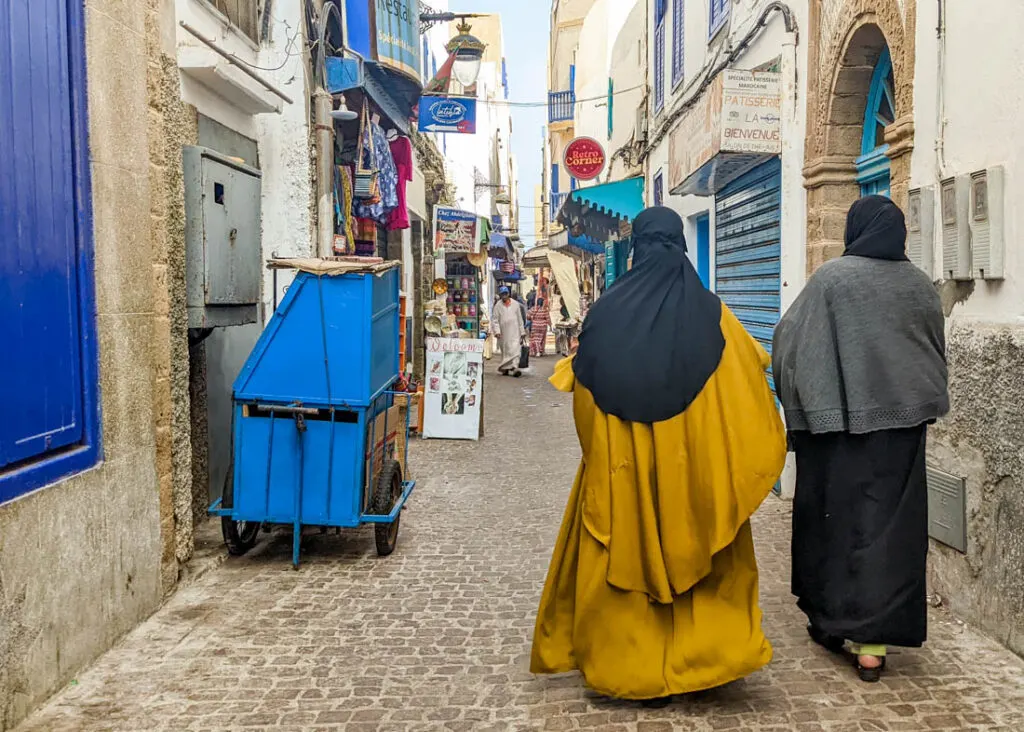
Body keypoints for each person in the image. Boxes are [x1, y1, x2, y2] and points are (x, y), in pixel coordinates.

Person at [531, 207, 786, 701]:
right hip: (693, 475)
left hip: (621, 473)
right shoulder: (715, 315)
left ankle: (627, 665)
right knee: (704, 557)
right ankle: (704, 660)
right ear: (681, 248)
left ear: (637, 250)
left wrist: (609, 455)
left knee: (620, 560)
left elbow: (585, 403)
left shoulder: (604, 317)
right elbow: (749, 385)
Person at [772, 195, 948, 683]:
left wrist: (803, 405)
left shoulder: (833, 279)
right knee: (890, 533)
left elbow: (789, 342)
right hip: (902, 434)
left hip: (838, 433)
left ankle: (832, 625)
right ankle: (874, 645)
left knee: (834, 527)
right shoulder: (919, 285)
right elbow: (933, 350)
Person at [491, 286, 526, 377]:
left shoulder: (515, 304)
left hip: (515, 332)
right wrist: (497, 331)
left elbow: (519, 318)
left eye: (505, 294)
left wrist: (522, 332)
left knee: (515, 350)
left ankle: (514, 368)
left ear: (508, 294)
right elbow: (495, 320)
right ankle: (505, 368)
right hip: (504, 333)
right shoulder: (498, 305)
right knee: (506, 351)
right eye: (502, 294)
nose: (504, 296)